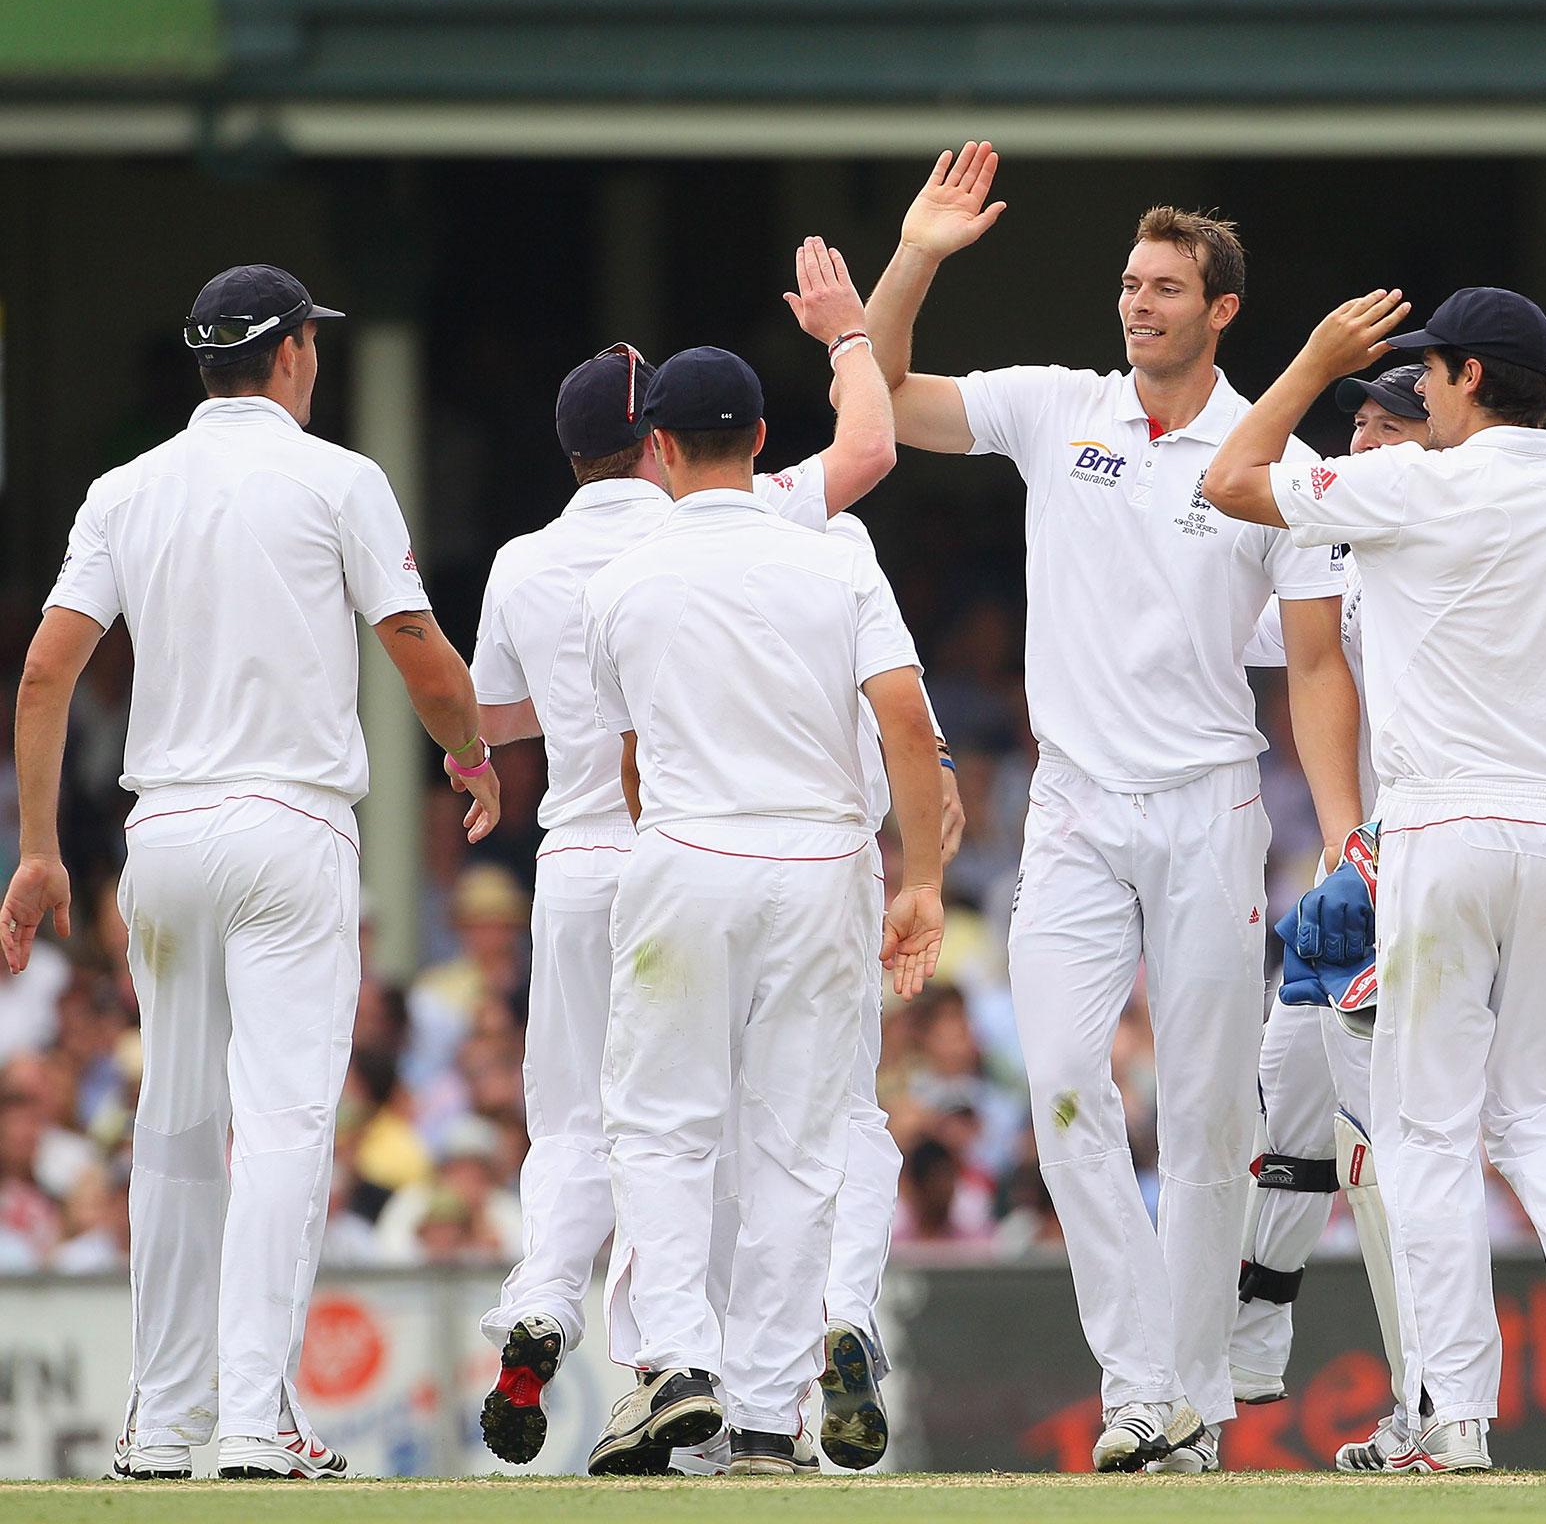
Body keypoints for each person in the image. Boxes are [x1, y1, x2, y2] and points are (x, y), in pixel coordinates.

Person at [861, 143, 1360, 1474]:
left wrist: (1339, 832)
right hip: (1073, 809)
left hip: (1208, 808)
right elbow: (887, 391)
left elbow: (1314, 664)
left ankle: (1185, 1399)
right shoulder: (1055, 407)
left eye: (1166, 288)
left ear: (1220, 310)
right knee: (1070, 1087)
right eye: (1130, 283)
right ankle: (1144, 1382)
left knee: (1205, 1117)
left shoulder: (1267, 460)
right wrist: (918, 252)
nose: (1138, 304)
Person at [0, 265, 501, 1481]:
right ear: (286, 355)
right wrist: (472, 754)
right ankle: (253, 1419)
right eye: (312, 345)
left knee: (173, 1127)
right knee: (281, 1126)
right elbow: (418, 648)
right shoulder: (339, 480)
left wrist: (36, 848)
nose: (317, 362)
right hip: (288, 826)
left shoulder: (126, 489)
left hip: (160, 838)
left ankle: (160, 1423)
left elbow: (43, 675)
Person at [1204, 285, 1546, 1471]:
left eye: (1428, 369)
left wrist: (1315, 363)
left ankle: (1453, 1419)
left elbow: (1228, 481)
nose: (1414, 385)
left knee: (1423, 1130)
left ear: (1470, 376)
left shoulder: (1410, 484)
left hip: (1440, 827)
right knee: (1540, 1104)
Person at [463, 239, 916, 1471]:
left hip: (605, 859)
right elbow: (871, 446)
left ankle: (591, 1334)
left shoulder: (531, 565)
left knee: (599, 1132)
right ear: (725, 439)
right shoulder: (787, 522)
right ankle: (800, 1354)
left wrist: (466, 763)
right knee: (788, 1137)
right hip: (779, 854)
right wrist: (850, 331)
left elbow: (498, 723)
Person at [579, 343, 946, 1477]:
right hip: (823, 863)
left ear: (656, 449)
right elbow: (901, 718)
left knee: (664, 1126)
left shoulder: (622, 577)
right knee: (798, 1143)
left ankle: (679, 1358)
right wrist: (922, 874)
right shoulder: (832, 563)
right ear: (762, 443)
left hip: (687, 851)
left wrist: (667, 840)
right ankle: (766, 1417)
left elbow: (634, 754)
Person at [1229, 365, 1429, 1473]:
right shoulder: (1339, 563)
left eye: (1382, 423)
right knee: (1285, 1126)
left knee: (1383, 1159)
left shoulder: (1432, 561)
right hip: (1337, 892)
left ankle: (1429, 1402)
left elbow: (1236, 476)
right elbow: (1219, 596)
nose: (1351, 437)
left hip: (1416, 879)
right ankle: (1242, 1357)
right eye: (1350, 417)